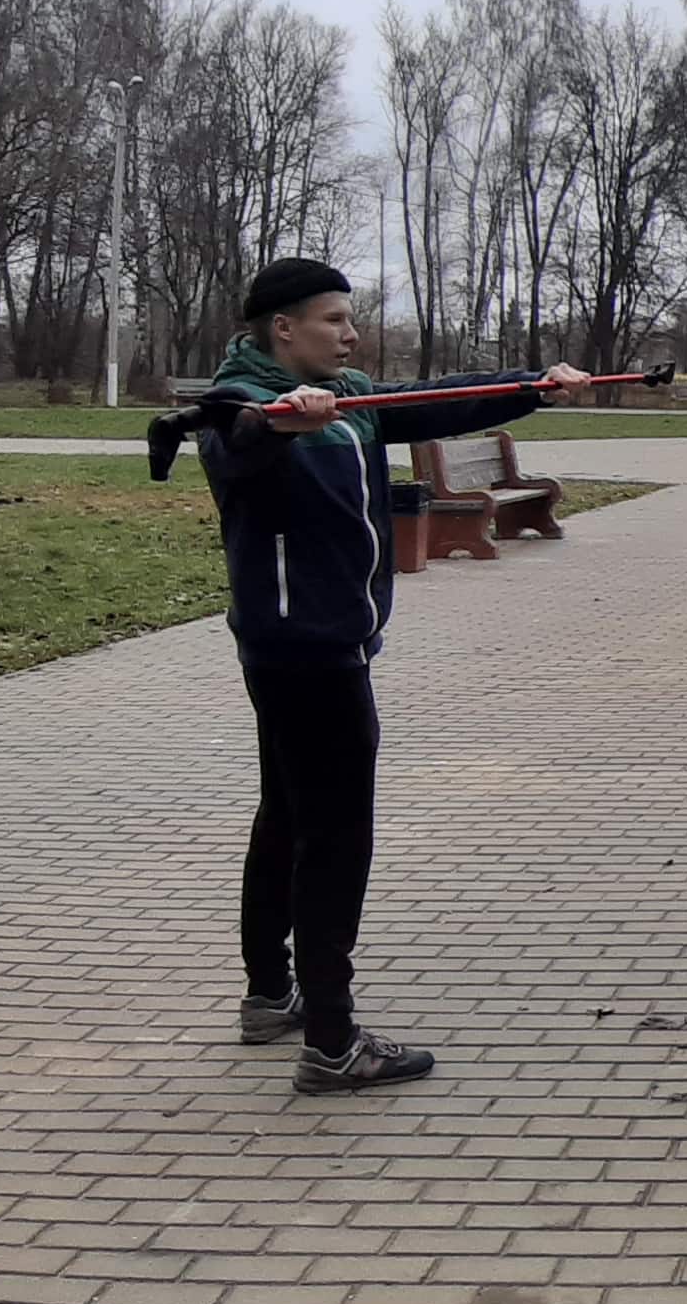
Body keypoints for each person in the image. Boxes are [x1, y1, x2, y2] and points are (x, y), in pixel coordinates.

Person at [189, 258, 593, 1092]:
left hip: (317, 643)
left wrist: (533, 387)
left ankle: (269, 996)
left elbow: (439, 400)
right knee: (335, 839)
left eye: (350, 318)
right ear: (283, 329)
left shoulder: (350, 401)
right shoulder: (242, 403)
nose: (351, 333)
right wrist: (281, 427)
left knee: (287, 815)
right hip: (308, 651)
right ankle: (333, 1043)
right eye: (334, 319)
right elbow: (236, 450)